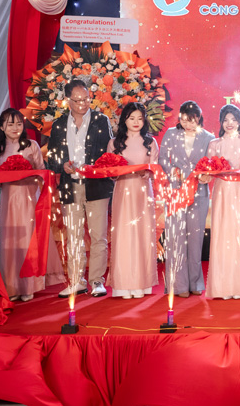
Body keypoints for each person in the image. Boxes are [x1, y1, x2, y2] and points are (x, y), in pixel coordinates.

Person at [46, 79, 113, 298]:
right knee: (73, 236)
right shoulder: (59, 124)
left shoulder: (101, 120)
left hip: (96, 185)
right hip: (70, 185)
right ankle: (77, 280)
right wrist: (62, 165)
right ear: (68, 101)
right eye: (77, 100)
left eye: (86, 99)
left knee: (98, 235)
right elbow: (52, 157)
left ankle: (96, 280)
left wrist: (95, 166)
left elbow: (109, 153)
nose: (83, 104)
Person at [158, 101, 215, 298]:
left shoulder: (208, 138)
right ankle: (178, 285)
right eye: (183, 120)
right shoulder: (171, 134)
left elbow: (211, 164)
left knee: (196, 238)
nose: (188, 124)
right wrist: (173, 170)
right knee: (176, 238)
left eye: (192, 121)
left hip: (199, 192)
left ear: (199, 118)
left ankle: (195, 282)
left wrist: (207, 175)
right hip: (176, 191)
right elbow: (162, 159)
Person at [0, 109, 46, 301]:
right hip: (9, 202)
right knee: (10, 242)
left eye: (19, 124)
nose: (15, 128)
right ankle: (12, 286)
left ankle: (29, 286)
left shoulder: (32, 146)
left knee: (28, 241)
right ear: (1, 127)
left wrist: (27, 174)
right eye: (10, 124)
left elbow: (41, 173)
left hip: (29, 199)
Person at [204, 105, 240, 300]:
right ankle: (223, 287)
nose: (229, 123)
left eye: (233, 119)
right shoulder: (214, 144)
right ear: (221, 122)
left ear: (239, 121)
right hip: (221, 192)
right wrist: (203, 175)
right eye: (226, 120)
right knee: (223, 233)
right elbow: (208, 171)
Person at [107, 102, 159, 298]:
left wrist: (148, 173)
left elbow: (154, 168)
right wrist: (115, 173)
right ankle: (122, 285)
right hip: (122, 192)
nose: (136, 122)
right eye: (132, 118)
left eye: (140, 118)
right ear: (125, 120)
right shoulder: (114, 143)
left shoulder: (150, 142)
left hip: (143, 192)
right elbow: (110, 171)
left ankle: (142, 283)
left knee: (142, 235)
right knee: (123, 235)